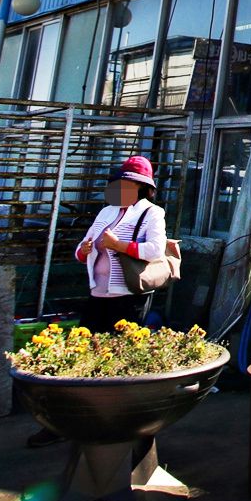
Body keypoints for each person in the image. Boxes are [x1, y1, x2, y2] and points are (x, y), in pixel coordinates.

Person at [27, 155, 167, 448]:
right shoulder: (106, 212)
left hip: (128, 298)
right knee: (80, 357)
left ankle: (121, 423)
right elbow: (82, 248)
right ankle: (66, 422)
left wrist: (119, 245)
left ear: (142, 187)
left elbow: (155, 250)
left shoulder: (151, 213)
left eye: (128, 183)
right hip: (98, 294)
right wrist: (85, 250)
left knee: (121, 361)